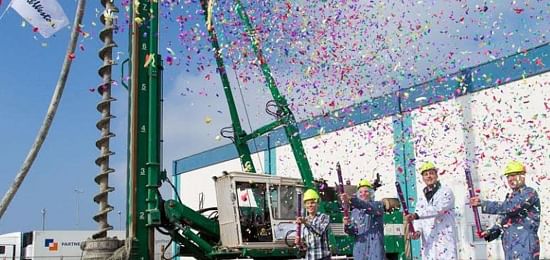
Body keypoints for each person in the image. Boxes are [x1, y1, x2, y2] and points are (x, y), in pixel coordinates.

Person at [470, 161, 540, 260]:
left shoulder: (529, 193)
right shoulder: (510, 197)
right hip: (510, 247)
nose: (510, 179)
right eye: (508, 176)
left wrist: (483, 203)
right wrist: (490, 232)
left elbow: (512, 208)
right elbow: (504, 220)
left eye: (514, 175)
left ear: (523, 176)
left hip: (525, 245)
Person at [404, 161, 458, 259]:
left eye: (431, 173)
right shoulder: (421, 198)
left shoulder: (446, 192)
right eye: (426, 174)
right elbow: (419, 220)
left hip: (444, 241)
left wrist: (415, 216)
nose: (429, 176)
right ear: (423, 178)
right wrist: (417, 231)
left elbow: (438, 209)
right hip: (429, 243)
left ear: (436, 175)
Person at [342, 179, 386, 260]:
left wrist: (351, 200)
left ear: (371, 193)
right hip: (360, 251)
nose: (363, 194)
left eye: (366, 191)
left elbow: (368, 207)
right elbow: (352, 232)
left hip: (375, 251)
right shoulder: (354, 212)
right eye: (361, 192)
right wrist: (347, 225)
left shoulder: (378, 206)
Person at [295, 189, 331, 260]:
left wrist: (305, 222)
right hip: (309, 257)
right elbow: (305, 247)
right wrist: (300, 243)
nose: (310, 205)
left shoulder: (324, 217)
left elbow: (319, 231)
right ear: (305, 205)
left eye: (312, 203)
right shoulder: (303, 221)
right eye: (307, 203)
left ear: (317, 203)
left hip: (323, 257)